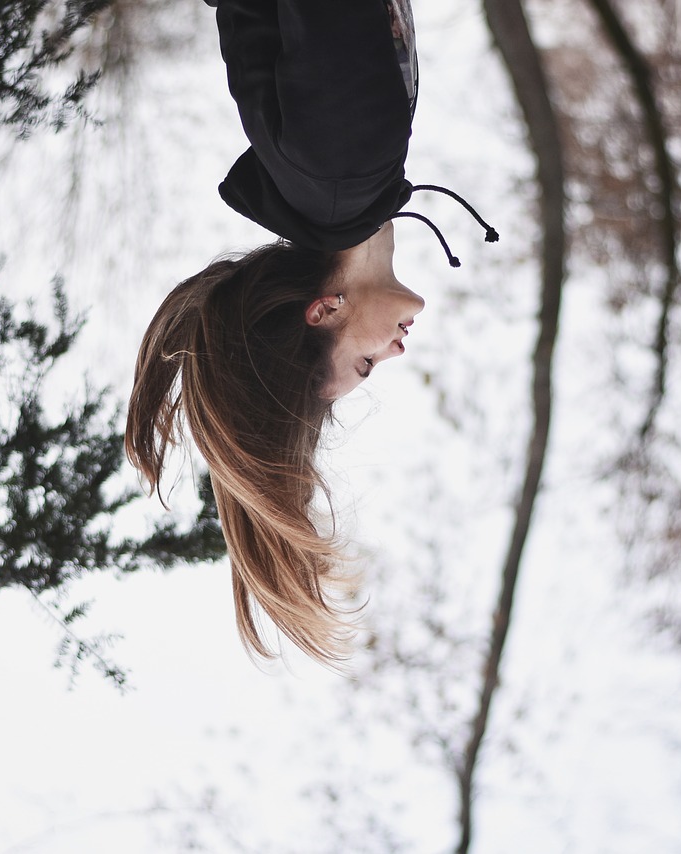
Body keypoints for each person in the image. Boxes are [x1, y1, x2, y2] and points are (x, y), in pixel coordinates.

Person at [125, 0, 496, 665]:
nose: (397, 349)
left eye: (366, 364)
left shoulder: (342, 168)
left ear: (323, 312)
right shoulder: (326, 183)